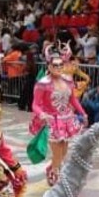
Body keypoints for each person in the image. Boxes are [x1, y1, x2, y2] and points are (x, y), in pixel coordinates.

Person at [30, 44, 86, 186]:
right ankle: (55, 176)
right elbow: (34, 104)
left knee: (63, 152)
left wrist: (82, 113)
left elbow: (72, 99)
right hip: (51, 120)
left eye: (61, 65)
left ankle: (52, 168)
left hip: (67, 119)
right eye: (55, 65)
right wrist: (41, 114)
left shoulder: (68, 80)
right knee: (57, 152)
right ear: (48, 66)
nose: (58, 68)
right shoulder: (42, 84)